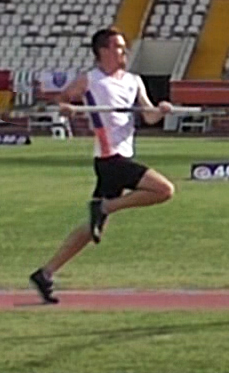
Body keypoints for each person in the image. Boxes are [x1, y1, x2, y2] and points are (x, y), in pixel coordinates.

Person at [28, 29, 178, 304]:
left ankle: (45, 273)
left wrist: (162, 109)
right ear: (103, 51)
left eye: (124, 47)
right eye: (119, 48)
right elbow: (62, 99)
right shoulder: (91, 79)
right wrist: (67, 108)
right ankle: (105, 207)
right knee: (164, 190)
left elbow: (149, 115)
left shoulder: (134, 81)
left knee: (92, 228)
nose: (124, 53)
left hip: (124, 156)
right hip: (110, 159)